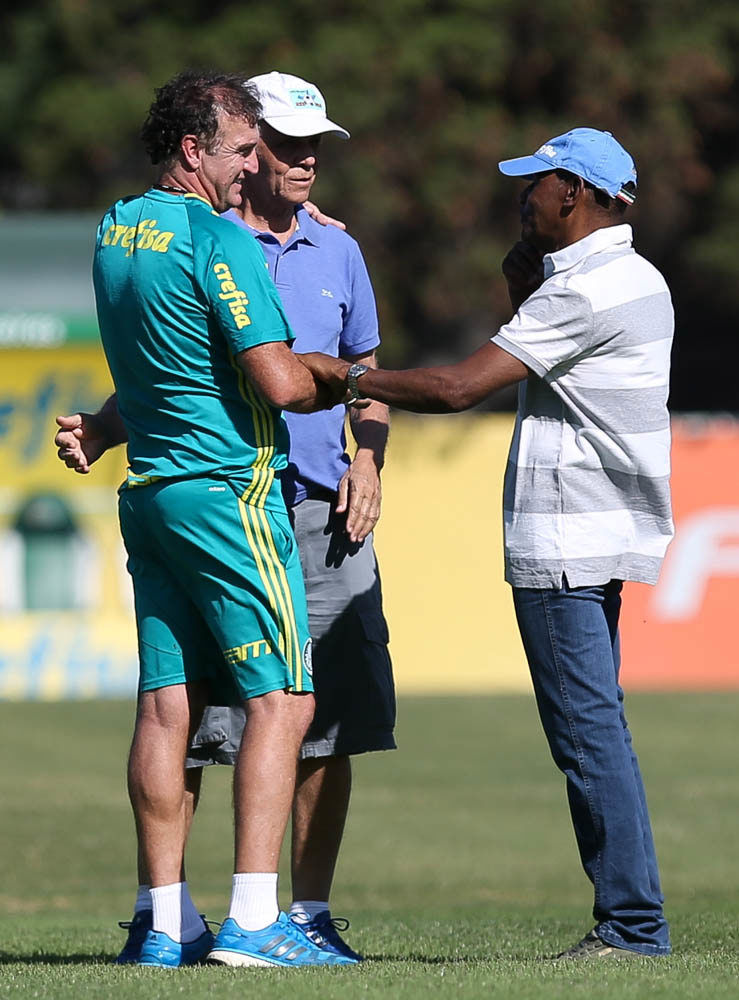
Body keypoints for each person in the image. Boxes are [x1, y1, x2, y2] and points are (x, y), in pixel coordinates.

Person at [301, 128, 674, 959]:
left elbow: (455, 387)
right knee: (597, 729)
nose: (521, 197)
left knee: (586, 736)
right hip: (603, 531)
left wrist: (342, 377)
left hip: (566, 538)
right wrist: (520, 289)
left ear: (572, 192)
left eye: (533, 184)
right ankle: (633, 919)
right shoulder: (631, 276)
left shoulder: (586, 290)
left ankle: (632, 926)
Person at [56, 71, 394, 964]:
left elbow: (164, 364)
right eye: (244, 149)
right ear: (192, 148)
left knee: (166, 706)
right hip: (229, 491)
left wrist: (105, 426)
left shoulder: (116, 227)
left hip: (152, 491)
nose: (255, 166)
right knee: (284, 698)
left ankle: (164, 924)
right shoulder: (218, 239)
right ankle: (253, 922)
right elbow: (280, 383)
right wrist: (353, 378)